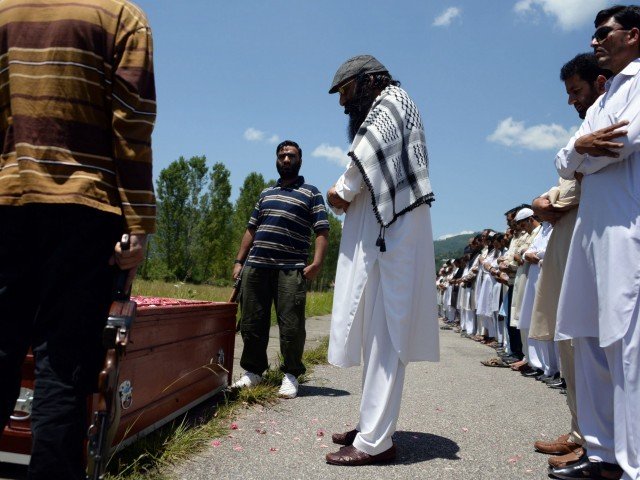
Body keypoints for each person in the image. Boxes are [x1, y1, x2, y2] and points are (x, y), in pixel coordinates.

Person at [0, 1, 156, 479]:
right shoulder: (120, 17)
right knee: (63, 375)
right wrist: (137, 220)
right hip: (84, 214)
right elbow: (130, 126)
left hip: (7, 203)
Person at [324, 54, 439, 466]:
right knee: (375, 330)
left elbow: (362, 163)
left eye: (346, 91)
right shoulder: (392, 101)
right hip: (386, 228)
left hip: (394, 230)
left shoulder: (390, 102)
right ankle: (372, 424)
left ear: (369, 80)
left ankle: (376, 442)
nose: (342, 103)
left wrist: (339, 190)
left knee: (387, 331)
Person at [552, 5, 640, 479]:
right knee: (586, 337)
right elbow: (565, 158)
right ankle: (603, 455)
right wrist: (579, 150)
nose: (595, 42)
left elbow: (621, 143)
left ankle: (634, 464)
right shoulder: (606, 97)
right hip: (592, 232)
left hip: (626, 228)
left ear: (634, 34)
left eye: (604, 33)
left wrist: (581, 153)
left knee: (625, 345)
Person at [530, 52, 610, 471]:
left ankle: (599, 440)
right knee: (570, 342)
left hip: (589, 238)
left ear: (599, 83)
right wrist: (546, 198)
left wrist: (552, 199)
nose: (571, 101)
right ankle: (581, 429)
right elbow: (566, 173)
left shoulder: (614, 115)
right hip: (568, 244)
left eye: (576, 91)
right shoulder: (586, 125)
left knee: (588, 344)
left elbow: (585, 181)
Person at [231, 140, 329, 399]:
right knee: (252, 322)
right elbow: (251, 229)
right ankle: (253, 372)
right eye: (282, 155)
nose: (286, 160)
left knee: (292, 326)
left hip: (291, 269)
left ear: (300, 160)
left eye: (291, 156)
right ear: (276, 159)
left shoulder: (311, 193)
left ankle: (291, 374)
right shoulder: (265, 193)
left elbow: (322, 231)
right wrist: (239, 262)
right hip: (256, 267)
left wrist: (317, 264)